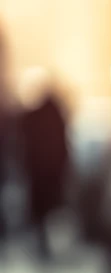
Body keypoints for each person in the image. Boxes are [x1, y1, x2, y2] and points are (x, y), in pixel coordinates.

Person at [18, 69, 70, 259]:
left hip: (39, 172)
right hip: (49, 172)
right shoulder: (55, 113)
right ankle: (46, 246)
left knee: (42, 212)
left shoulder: (34, 115)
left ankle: (45, 246)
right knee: (48, 211)